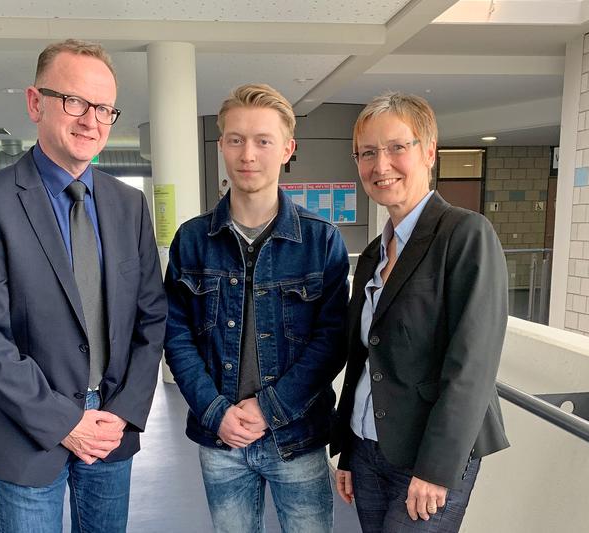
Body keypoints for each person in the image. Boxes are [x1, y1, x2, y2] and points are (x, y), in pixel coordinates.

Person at [0, 39, 166, 533]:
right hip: (26, 430)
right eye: (75, 101)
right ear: (35, 103)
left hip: (111, 428)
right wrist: (65, 422)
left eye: (105, 108)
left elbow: (151, 319)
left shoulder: (127, 205)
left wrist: (124, 411)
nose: (91, 120)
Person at [164, 83, 349, 533]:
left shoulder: (322, 240)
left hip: (297, 437)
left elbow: (331, 342)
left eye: (263, 141)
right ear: (222, 146)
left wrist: (269, 408)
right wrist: (215, 412)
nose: (248, 154)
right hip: (220, 437)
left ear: (287, 148)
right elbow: (176, 334)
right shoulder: (191, 239)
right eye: (235, 139)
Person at [330, 91, 510, 533]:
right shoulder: (374, 253)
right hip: (369, 450)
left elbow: (472, 366)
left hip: (429, 457)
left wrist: (435, 469)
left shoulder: (465, 235)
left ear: (429, 152)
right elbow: (363, 358)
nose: (380, 164)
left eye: (396, 147)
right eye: (367, 153)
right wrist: (349, 450)